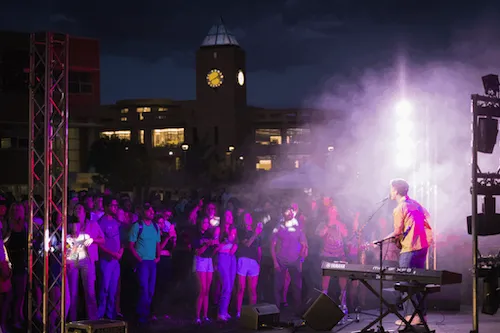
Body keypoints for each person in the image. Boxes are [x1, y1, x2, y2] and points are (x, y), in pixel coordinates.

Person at [384, 179, 433, 326]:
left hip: (409, 249)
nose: (390, 192)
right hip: (422, 248)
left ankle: (411, 316)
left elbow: (397, 232)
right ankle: (421, 316)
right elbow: (427, 221)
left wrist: (381, 241)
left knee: (406, 284)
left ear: (396, 191)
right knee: (418, 284)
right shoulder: (416, 204)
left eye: (391, 189)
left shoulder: (400, 208)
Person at [129, 203, 161, 324]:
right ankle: (142, 314)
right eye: (149, 211)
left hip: (152, 262)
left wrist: (158, 257)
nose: (152, 213)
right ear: (143, 212)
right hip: (142, 262)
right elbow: (131, 245)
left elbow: (158, 243)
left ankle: (144, 313)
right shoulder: (137, 226)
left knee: (151, 290)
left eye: (153, 211)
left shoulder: (156, 226)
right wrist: (139, 259)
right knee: (144, 288)